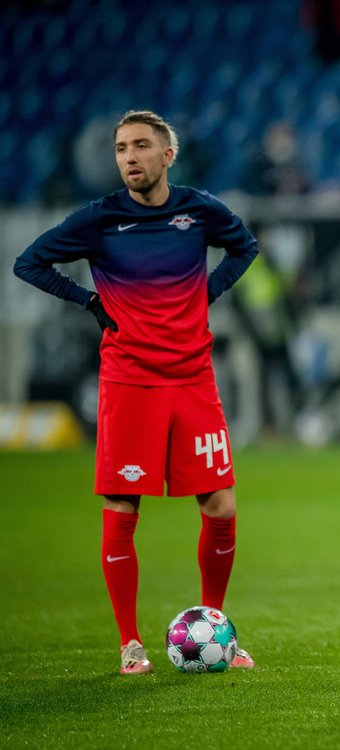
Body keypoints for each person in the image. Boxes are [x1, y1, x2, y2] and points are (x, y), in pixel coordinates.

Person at [13, 110, 259, 675]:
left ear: (167, 155)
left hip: (193, 378)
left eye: (141, 146)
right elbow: (30, 263)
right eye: (122, 148)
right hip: (129, 382)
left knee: (221, 506)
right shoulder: (100, 218)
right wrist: (88, 301)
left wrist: (206, 293)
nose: (129, 157)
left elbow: (244, 248)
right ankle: (130, 642)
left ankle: (217, 627)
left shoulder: (199, 210)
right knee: (123, 508)